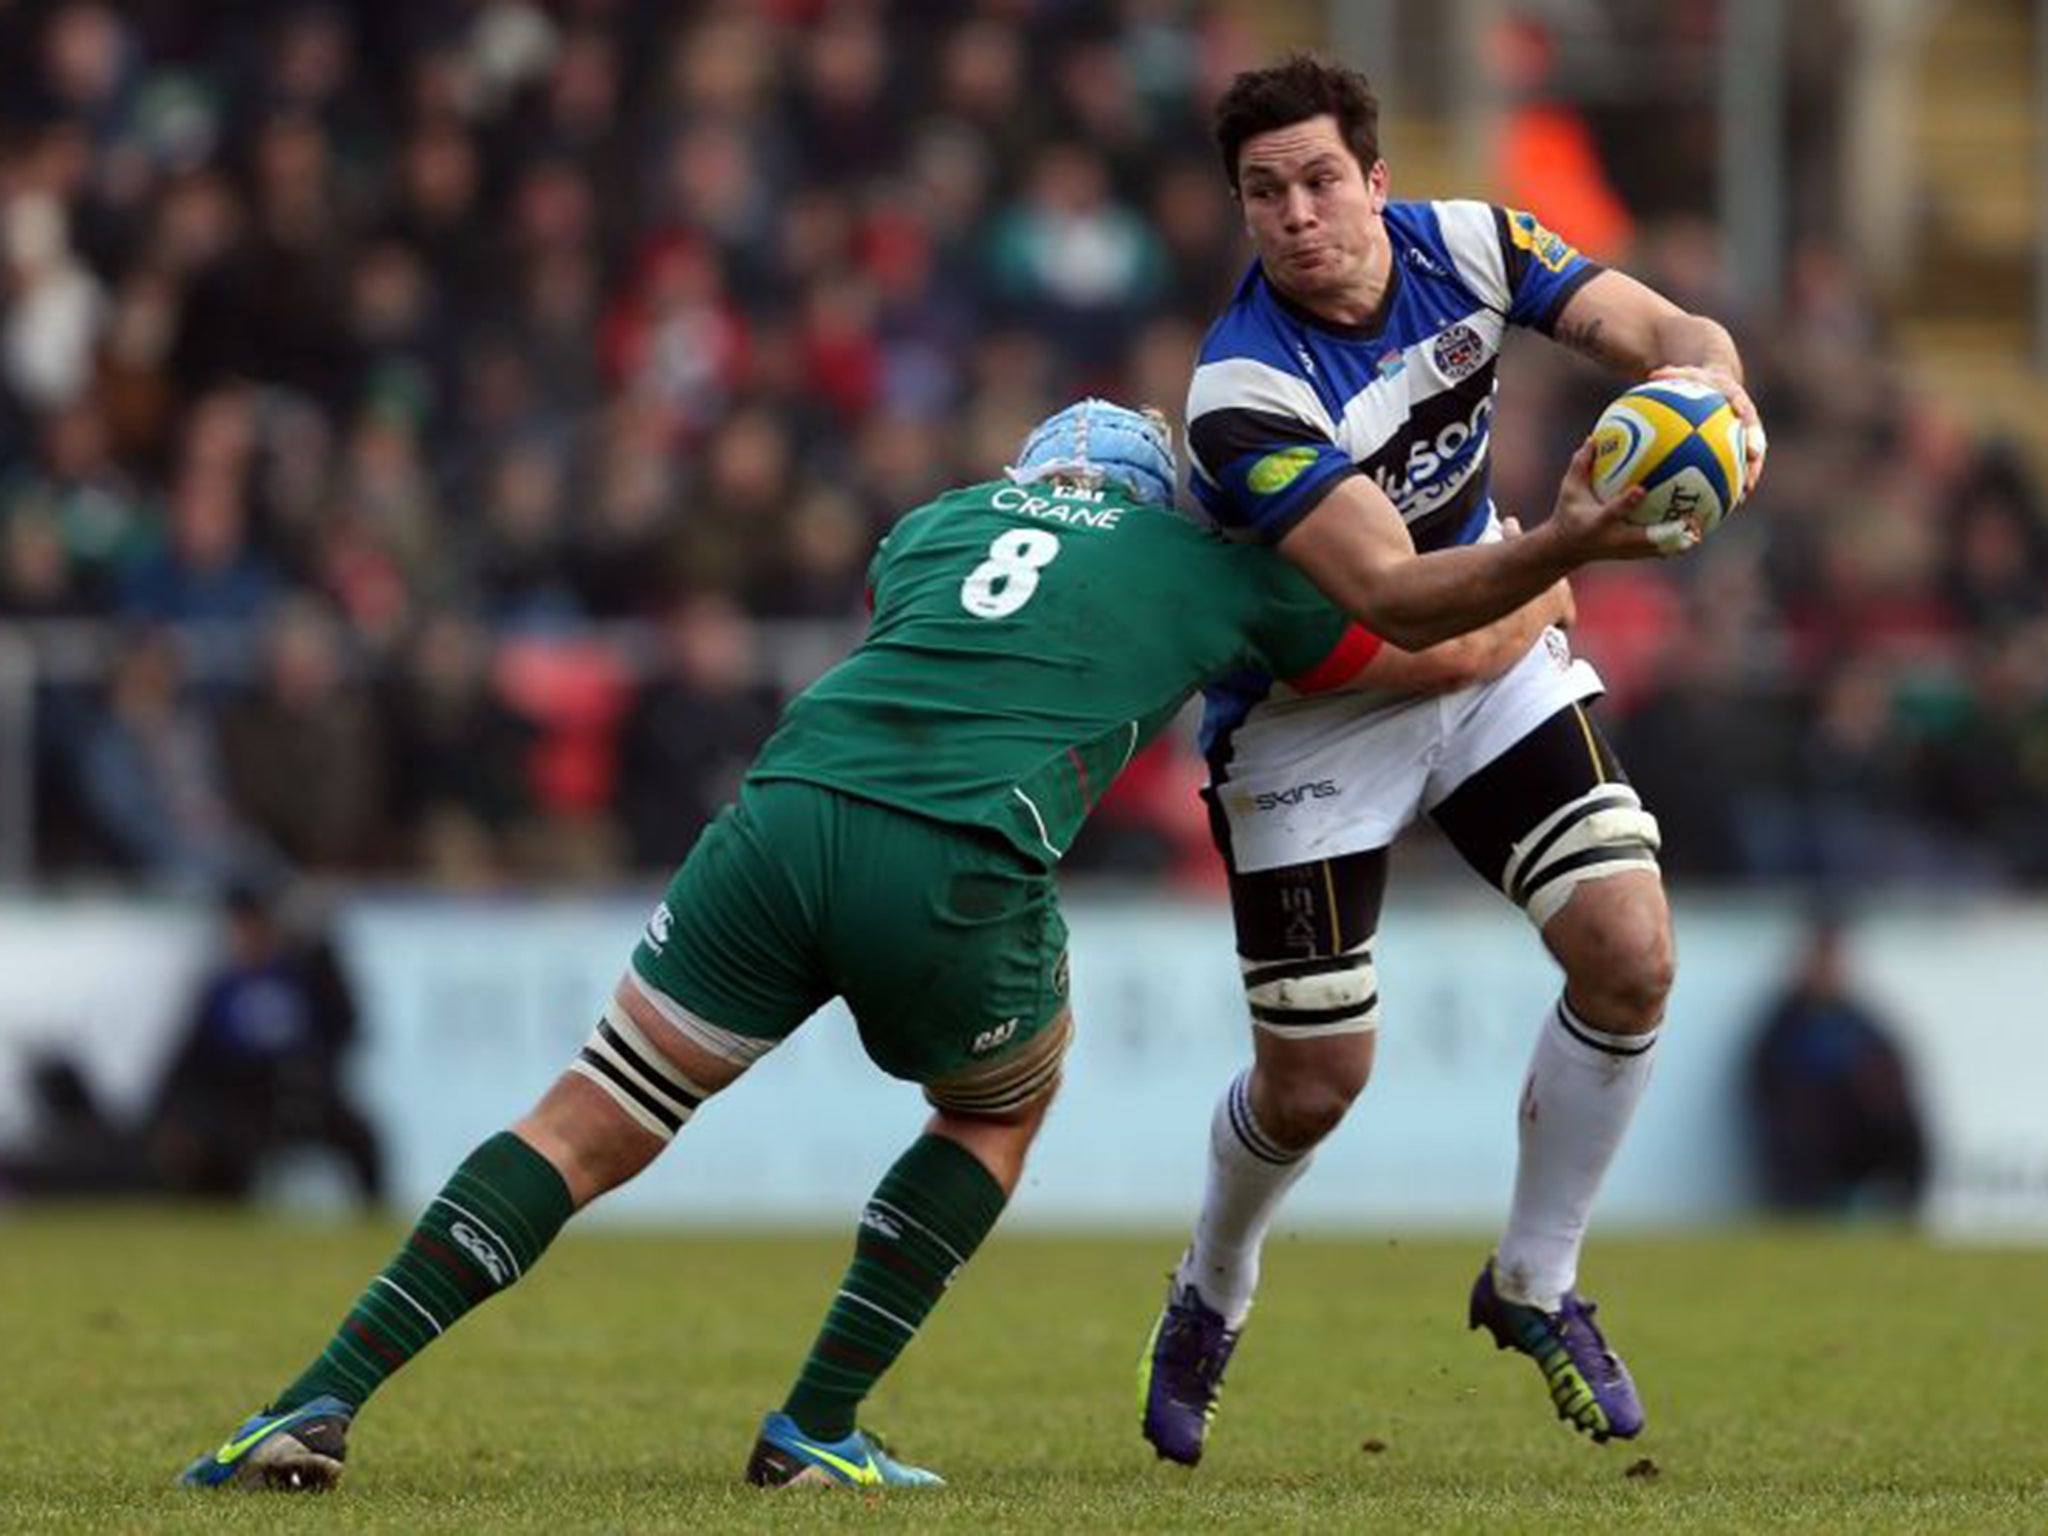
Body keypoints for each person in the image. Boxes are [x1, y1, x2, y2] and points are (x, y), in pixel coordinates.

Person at [177, 397, 1655, 1494]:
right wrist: (1552, 561)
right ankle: (815, 1426)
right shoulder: (1221, 566)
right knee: (1001, 1102)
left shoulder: (933, 525)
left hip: (781, 812)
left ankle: (312, 1401)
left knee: (591, 1115)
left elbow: (974, 610)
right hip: (953, 848)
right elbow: (1438, 647)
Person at [1138, 53, 1769, 1465]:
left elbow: (1656, 321)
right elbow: (1396, 602)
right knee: (1315, 1084)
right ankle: (1212, 1284)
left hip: (1497, 647)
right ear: (1242, 211)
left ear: (1374, 178)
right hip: (1317, 705)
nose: (1297, 214)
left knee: (1631, 952)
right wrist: (1568, 552)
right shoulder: (1245, 391)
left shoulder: (1468, 243)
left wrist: (1718, 387)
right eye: (1263, 192)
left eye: (1318, 181)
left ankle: (1534, 1281)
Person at [1746, 916, 1927, 1215]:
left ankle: (1903, 1210)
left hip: (1859, 1134)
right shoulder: (1783, 1026)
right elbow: (1763, 1083)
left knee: (1905, 1131)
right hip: (1809, 1135)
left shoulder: (1861, 1023)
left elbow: (1893, 1079)